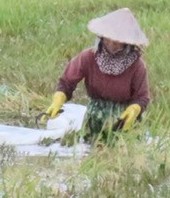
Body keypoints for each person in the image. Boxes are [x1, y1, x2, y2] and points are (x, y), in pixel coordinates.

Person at [42, 8, 151, 139]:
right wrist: (58, 99)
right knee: (92, 151)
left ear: (126, 42)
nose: (111, 44)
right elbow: (67, 82)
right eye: (107, 39)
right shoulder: (89, 57)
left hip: (122, 120)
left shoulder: (137, 66)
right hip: (95, 118)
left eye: (116, 41)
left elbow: (142, 97)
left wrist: (134, 110)